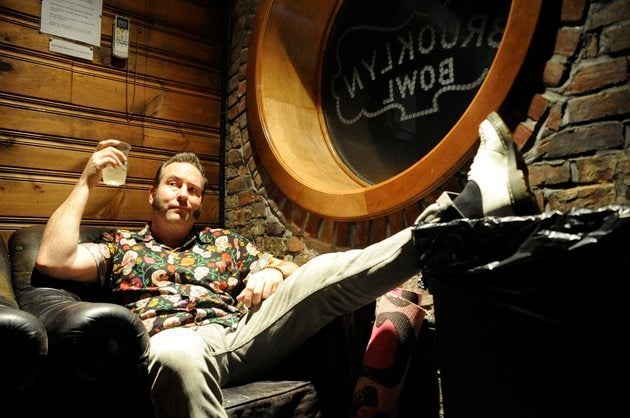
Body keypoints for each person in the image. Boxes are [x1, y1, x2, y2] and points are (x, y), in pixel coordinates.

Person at [35, 112, 537, 418]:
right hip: (176, 342)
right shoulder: (122, 245)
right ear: (152, 192)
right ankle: (466, 213)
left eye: (193, 190)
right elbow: (53, 259)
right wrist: (85, 182)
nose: (184, 195)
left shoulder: (223, 242)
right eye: (174, 184)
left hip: (244, 336)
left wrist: (271, 272)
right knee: (175, 354)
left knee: (320, 270)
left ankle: (462, 212)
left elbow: (284, 272)